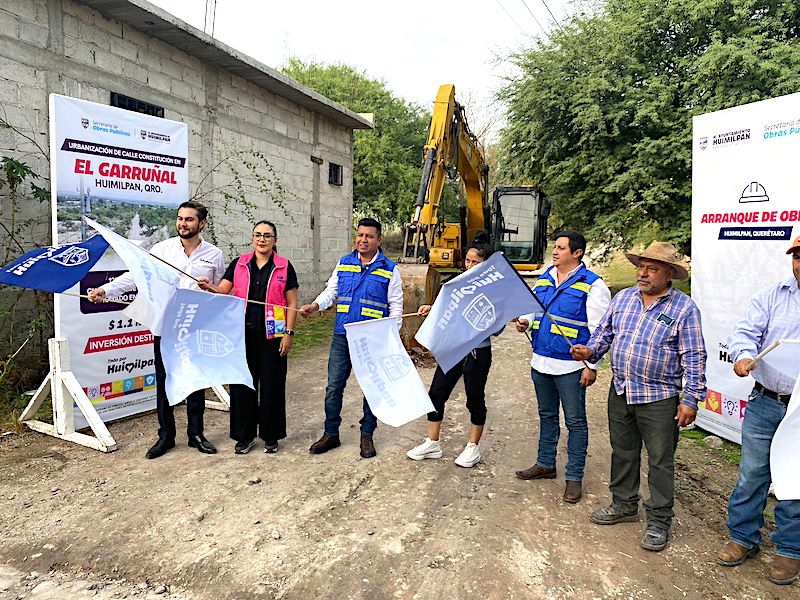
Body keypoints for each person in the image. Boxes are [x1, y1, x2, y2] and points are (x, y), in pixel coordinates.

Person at [570, 241, 706, 552]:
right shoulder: (624, 298)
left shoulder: (684, 309)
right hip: (621, 390)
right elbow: (604, 333)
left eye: (651, 268)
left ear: (669, 273)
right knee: (623, 450)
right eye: (640, 267)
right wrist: (590, 350)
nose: (642, 273)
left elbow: (695, 356)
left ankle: (659, 520)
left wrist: (690, 399)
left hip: (659, 396)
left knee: (660, 460)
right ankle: (624, 504)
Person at [87, 201, 225, 459]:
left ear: (202, 224)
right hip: (165, 325)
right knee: (165, 382)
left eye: (190, 219)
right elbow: (136, 276)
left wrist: (212, 292)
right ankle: (166, 436)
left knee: (196, 382)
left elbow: (219, 290)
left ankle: (196, 434)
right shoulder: (162, 249)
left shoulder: (214, 254)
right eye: (180, 218)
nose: (183, 223)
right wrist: (105, 290)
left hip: (195, 327)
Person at [715, 235, 800, 585]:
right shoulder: (772, 296)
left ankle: (790, 550)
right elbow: (745, 332)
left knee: (795, 479)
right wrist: (744, 355)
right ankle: (743, 537)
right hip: (767, 400)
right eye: (797, 257)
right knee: (752, 474)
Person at [514, 230, 611, 503]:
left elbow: (600, 332)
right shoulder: (545, 277)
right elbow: (533, 311)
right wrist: (526, 322)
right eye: (554, 247)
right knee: (547, 416)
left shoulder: (593, 285)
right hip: (541, 361)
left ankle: (574, 477)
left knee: (576, 422)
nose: (554, 252)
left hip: (571, 367)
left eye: (561, 248)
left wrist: (591, 366)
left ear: (577, 253)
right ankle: (545, 464)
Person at [298, 218, 402, 458]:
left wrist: (391, 337)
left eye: (369, 236)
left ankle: (367, 435)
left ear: (379, 240)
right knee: (334, 386)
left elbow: (396, 306)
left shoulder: (389, 269)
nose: (363, 240)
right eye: (360, 235)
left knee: (371, 388)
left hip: (373, 338)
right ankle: (331, 434)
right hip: (343, 335)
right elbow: (331, 292)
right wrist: (315, 305)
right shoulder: (344, 263)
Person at [199, 220, 298, 455]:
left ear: (275, 240)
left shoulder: (284, 267)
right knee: (243, 385)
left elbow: (292, 303)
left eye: (267, 236)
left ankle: (270, 435)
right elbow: (224, 290)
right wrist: (208, 286)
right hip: (241, 335)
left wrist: (289, 334)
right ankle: (244, 436)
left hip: (273, 335)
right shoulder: (240, 263)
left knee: (272, 385)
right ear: (252, 238)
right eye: (257, 235)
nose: (262, 239)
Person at [406, 232, 502, 468]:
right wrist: (431, 308)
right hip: (453, 350)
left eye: (476, 262)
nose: (470, 265)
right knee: (436, 395)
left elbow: (497, 329)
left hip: (478, 352)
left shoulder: (493, 290)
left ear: (486, 265)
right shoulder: (457, 284)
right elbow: (444, 308)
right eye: (468, 261)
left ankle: (473, 447)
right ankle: (432, 442)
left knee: (474, 399)